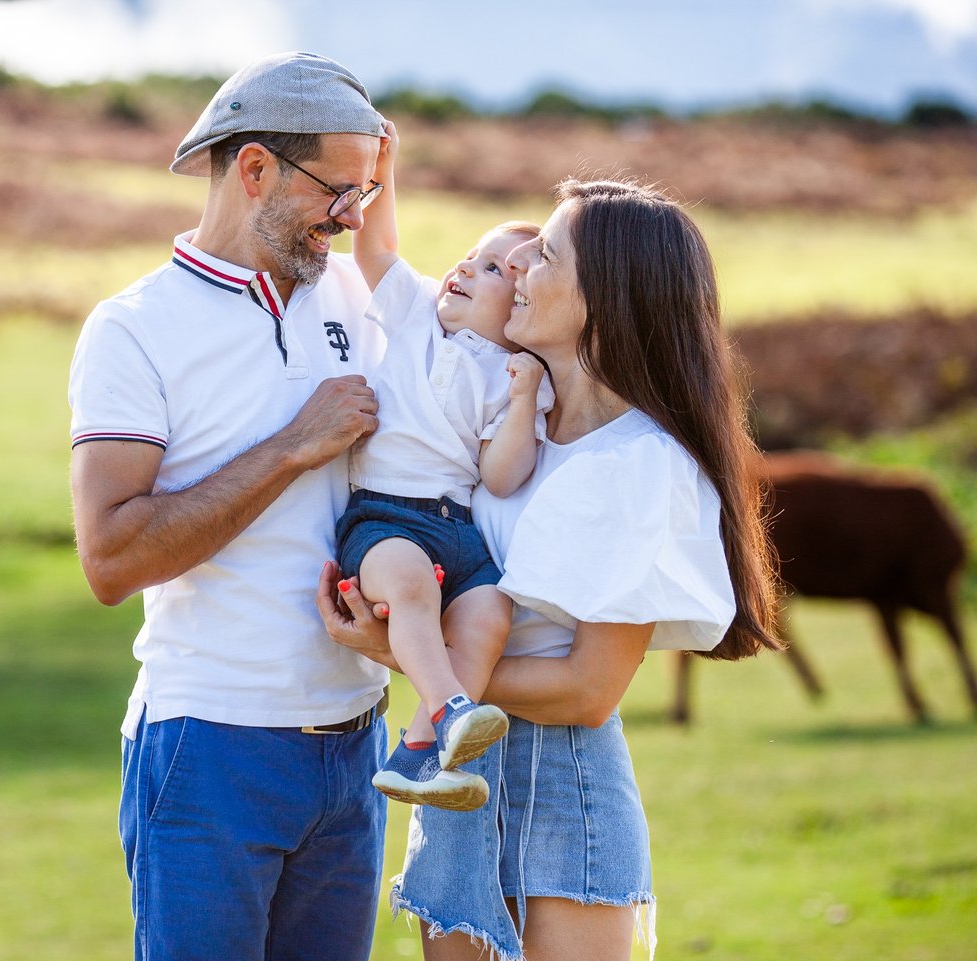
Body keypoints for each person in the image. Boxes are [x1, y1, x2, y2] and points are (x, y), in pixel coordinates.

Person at [319, 178, 781, 961]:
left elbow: (586, 688)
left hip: (560, 785)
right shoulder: (510, 421)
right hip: (456, 780)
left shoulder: (640, 463)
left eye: (545, 255)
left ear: (603, 296)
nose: (521, 267)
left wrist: (414, 663)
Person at [67, 53, 393, 961]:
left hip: (357, 746)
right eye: (337, 188)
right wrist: (292, 446)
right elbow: (112, 557)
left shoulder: (358, 297)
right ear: (254, 170)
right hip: (209, 749)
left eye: (368, 189)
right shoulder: (134, 328)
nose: (353, 215)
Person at [340, 121, 554, 812]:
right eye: (472, 255)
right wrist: (383, 167)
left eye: (494, 270)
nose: (465, 268)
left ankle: (415, 752)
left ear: (522, 305)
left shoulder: (518, 373)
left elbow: (501, 475)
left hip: (458, 530)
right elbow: (375, 243)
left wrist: (522, 400)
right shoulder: (415, 315)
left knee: (491, 608)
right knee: (408, 585)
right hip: (384, 516)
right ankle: (454, 709)